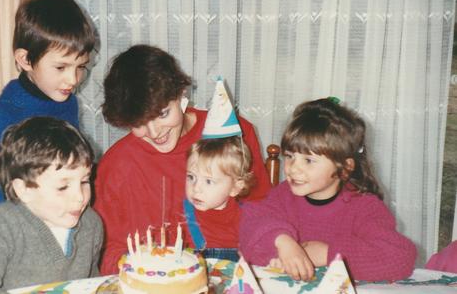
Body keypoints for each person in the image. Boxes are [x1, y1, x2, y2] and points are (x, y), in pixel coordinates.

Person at [94, 45, 272, 274]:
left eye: (162, 114)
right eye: (138, 123)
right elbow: (106, 250)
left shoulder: (234, 136)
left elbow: (264, 213)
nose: (154, 132)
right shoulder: (117, 164)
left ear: (180, 94)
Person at [0, 0, 97, 226]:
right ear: (25, 60)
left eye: (81, 67)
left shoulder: (68, 105)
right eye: (61, 67)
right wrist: (33, 203)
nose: (73, 79)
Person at [238, 98, 416, 282]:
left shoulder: (364, 206)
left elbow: (401, 258)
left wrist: (327, 254)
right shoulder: (282, 196)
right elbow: (250, 231)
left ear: (344, 168)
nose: (292, 168)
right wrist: (282, 243)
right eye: (290, 156)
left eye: (308, 160)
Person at [0, 117, 103, 294]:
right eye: (63, 187)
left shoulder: (92, 224)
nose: (80, 197)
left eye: (84, 181)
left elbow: (93, 282)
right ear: (24, 190)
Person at [183, 77, 256, 261]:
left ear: (235, 187)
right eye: (191, 177)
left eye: (209, 181)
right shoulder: (180, 217)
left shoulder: (249, 219)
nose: (196, 188)